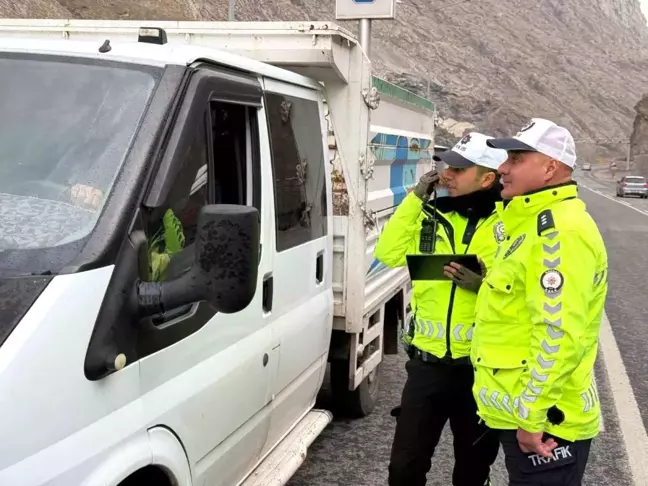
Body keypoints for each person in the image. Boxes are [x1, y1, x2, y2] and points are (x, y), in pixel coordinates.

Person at [471, 118, 608, 485]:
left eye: (515, 159)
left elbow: (557, 334)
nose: (502, 168)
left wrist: (531, 418)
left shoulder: (560, 233)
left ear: (550, 168)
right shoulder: (527, 224)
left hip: (547, 422)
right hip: (523, 413)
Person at [375, 132, 508, 486]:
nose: (446, 173)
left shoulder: (508, 227)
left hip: (480, 372)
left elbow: (522, 293)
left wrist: (483, 286)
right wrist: (415, 198)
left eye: (459, 169)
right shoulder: (427, 214)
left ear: (487, 178)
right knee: (403, 470)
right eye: (447, 165)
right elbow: (387, 254)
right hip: (426, 368)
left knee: (472, 472)